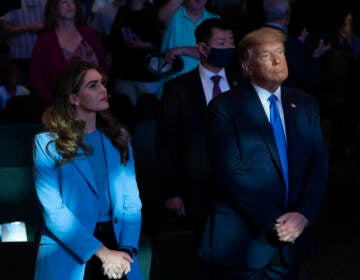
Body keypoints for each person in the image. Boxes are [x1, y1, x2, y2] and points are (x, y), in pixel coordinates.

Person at [198, 27, 328, 280]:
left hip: (293, 242)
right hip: (243, 243)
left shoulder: (305, 103)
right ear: (247, 67)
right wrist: (278, 224)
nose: (279, 61)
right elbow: (230, 173)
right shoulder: (224, 107)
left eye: (280, 52)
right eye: (267, 56)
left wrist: (304, 215)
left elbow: (319, 164)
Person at [33, 61, 143, 280]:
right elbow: (54, 212)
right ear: (73, 98)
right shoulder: (47, 144)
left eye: (102, 83)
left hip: (119, 247)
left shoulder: (119, 138)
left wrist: (126, 251)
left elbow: (132, 201)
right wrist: (103, 253)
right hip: (69, 249)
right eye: (93, 85)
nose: (103, 90)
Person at [158, 18, 241, 233]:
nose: (228, 48)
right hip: (195, 187)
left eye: (231, 42)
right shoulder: (177, 88)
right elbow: (167, 143)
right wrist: (172, 192)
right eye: (221, 43)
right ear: (203, 48)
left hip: (238, 185)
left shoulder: (242, 84)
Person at [29, 0, 108, 108]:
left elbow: (103, 65)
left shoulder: (88, 33)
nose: (70, 5)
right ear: (54, 8)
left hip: (94, 105)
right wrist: (53, 102)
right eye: (64, 2)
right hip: (61, 107)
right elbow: (36, 77)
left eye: (73, 1)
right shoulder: (46, 40)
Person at [108, 0, 162, 107]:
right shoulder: (121, 11)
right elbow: (112, 41)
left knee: (147, 118)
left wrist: (145, 45)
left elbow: (162, 42)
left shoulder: (154, 12)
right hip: (123, 72)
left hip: (147, 73)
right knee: (126, 115)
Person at [157, 0, 219, 81]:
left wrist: (182, 50)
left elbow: (215, 53)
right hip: (171, 86)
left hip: (204, 87)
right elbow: (161, 17)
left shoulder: (215, 20)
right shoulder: (173, 14)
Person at [0, 0, 46, 84]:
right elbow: (3, 31)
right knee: (22, 92)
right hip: (19, 58)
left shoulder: (46, 2)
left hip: (43, 57)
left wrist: (46, 26)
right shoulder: (11, 3)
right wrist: (28, 27)